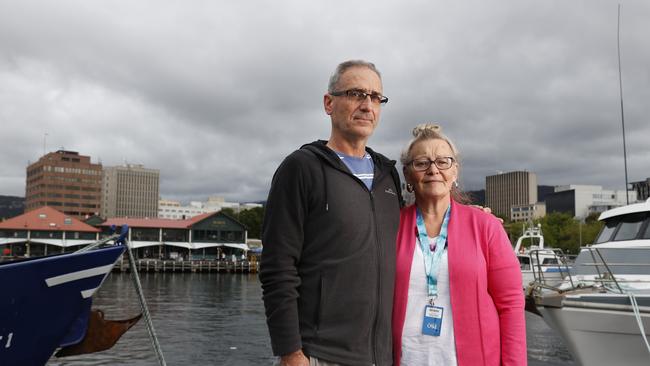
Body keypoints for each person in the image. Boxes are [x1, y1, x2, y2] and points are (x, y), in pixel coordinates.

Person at [260, 60, 402, 366]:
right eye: (355, 94)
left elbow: (417, 230)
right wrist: (291, 353)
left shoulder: (389, 176)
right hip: (319, 355)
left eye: (375, 97)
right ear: (329, 103)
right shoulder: (301, 168)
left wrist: (474, 218)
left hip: (381, 356)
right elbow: (277, 267)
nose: (367, 105)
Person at [392, 124, 526, 366]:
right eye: (422, 163)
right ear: (408, 174)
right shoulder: (391, 227)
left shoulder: (486, 227)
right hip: (406, 358)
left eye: (443, 162)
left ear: (455, 171)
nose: (433, 169)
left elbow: (511, 305)